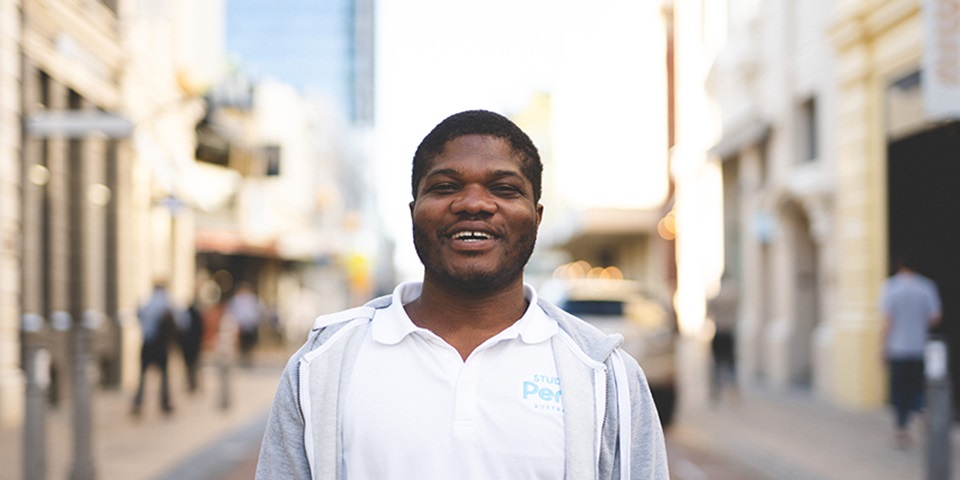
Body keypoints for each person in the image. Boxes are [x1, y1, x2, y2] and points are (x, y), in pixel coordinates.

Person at [256, 110, 669, 479]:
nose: (473, 203)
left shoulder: (604, 373)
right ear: (414, 211)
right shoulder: (323, 363)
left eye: (504, 189)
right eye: (446, 186)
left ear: (537, 217)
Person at [879, 256, 942, 447]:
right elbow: (935, 316)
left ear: (899, 267)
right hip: (918, 347)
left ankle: (901, 429)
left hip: (897, 348)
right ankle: (920, 412)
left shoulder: (891, 287)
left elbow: (886, 321)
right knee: (917, 385)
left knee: (899, 389)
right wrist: (919, 323)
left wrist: (882, 347)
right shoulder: (926, 286)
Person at [132, 281, 179, 416]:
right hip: (160, 344)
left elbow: (139, 315)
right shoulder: (166, 302)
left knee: (143, 376)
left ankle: (138, 402)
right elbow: (181, 321)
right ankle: (164, 403)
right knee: (163, 375)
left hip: (147, 343)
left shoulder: (148, 302)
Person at [708, 274, 739, 404]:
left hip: (720, 330)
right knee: (730, 362)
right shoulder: (733, 294)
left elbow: (709, 309)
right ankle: (732, 389)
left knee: (717, 362)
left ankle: (717, 389)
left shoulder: (718, 296)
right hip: (729, 331)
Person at [227, 282, 262, 366]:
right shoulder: (237, 300)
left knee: (249, 343)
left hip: (249, 325)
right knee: (242, 343)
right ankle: (243, 358)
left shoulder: (252, 299)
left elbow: (257, 311)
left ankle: (248, 358)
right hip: (241, 325)